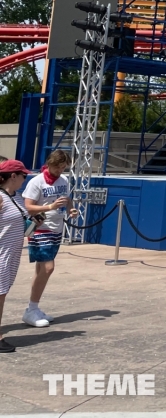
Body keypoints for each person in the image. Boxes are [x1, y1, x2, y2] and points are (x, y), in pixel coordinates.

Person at [22, 149, 78, 328]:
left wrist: (70, 209)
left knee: (41, 270)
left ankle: (33, 307)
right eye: (57, 167)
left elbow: (66, 199)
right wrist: (50, 207)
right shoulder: (36, 182)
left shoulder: (64, 180)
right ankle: (32, 309)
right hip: (39, 227)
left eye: (63, 168)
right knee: (48, 267)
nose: (60, 171)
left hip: (56, 227)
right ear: (50, 164)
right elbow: (28, 207)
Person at [1, 160, 39, 353]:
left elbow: (22, 228)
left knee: (2, 293)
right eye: (23, 175)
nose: (26, 178)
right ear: (13, 176)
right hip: (1, 253)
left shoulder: (15, 197)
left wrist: (34, 224)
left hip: (11, 253)